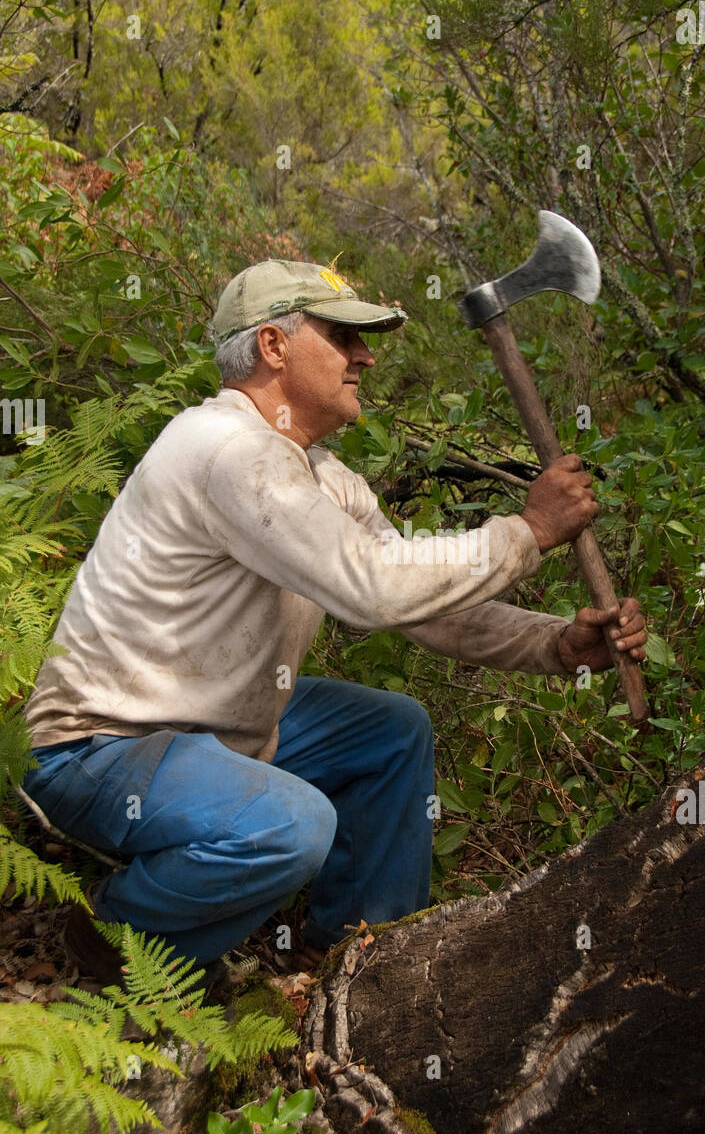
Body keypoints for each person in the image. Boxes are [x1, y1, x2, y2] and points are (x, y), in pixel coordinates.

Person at [22, 258, 647, 986]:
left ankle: (358, 958)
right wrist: (529, 532)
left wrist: (557, 643)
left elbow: (424, 608)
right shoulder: (227, 451)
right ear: (273, 346)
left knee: (392, 731)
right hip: (99, 750)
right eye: (343, 337)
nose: (365, 356)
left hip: (207, 735)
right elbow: (372, 591)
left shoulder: (314, 473)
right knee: (294, 826)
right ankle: (119, 934)